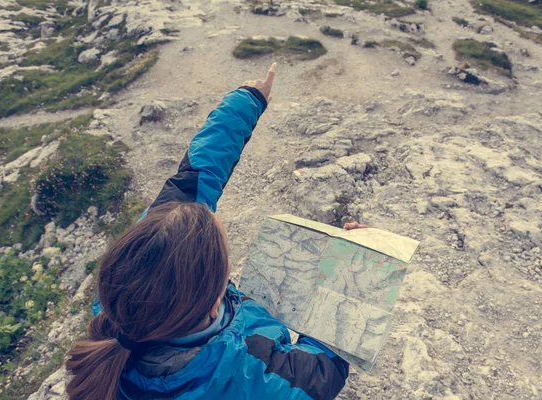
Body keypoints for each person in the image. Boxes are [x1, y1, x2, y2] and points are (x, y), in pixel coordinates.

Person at [65, 63, 361, 400]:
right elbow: (324, 370)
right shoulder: (259, 378)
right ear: (211, 306)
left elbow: (195, 176)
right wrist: (355, 265)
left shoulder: (126, 289)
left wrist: (247, 101)